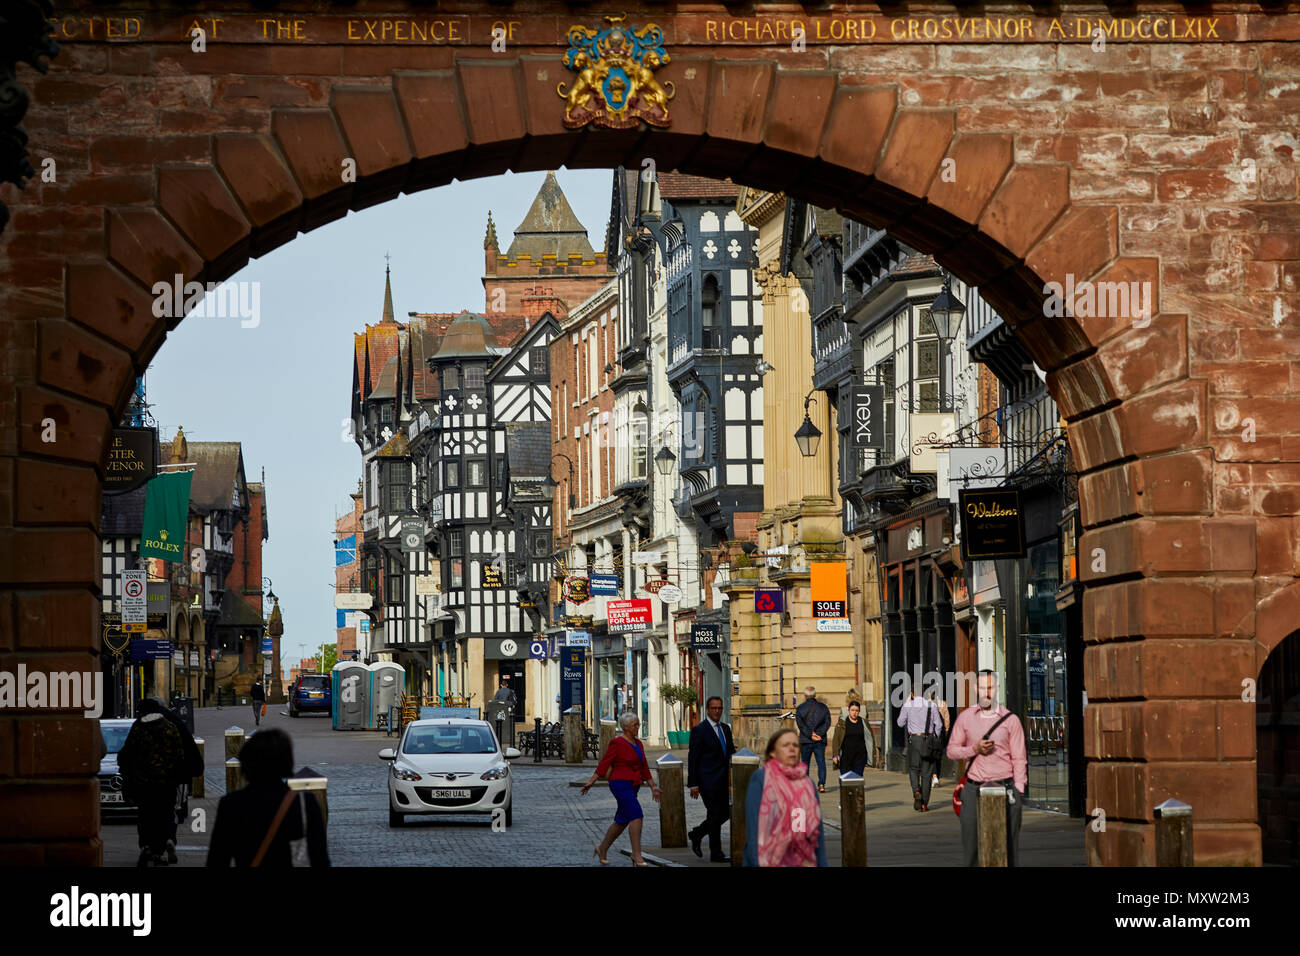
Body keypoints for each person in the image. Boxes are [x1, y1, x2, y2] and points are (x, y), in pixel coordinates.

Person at [207, 728, 330, 867]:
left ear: (246, 764)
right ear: (287, 762)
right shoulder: (304, 803)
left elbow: (217, 859)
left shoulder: (231, 804)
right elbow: (320, 858)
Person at [946, 670, 1028, 866]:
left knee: (1008, 847)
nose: (986, 692)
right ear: (976, 689)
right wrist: (973, 749)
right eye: (982, 688)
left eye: (990, 687)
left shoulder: (1011, 720)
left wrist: (1019, 789)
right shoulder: (966, 718)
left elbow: (1019, 757)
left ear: (997, 688)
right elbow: (951, 751)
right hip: (974, 788)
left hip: (1006, 787)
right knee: (972, 848)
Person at [580, 712, 661, 865]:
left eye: (638, 724)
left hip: (634, 784)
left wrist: (653, 787)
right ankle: (637, 856)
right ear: (625, 727)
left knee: (622, 820)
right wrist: (591, 781)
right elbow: (605, 763)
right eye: (635, 725)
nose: (638, 727)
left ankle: (602, 848)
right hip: (620, 783)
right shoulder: (617, 743)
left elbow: (644, 766)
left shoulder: (639, 744)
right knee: (636, 814)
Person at [118, 697, 190, 867]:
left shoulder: (139, 728)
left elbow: (128, 754)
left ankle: (146, 846)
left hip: (144, 783)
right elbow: (180, 754)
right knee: (164, 815)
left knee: (145, 815)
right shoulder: (170, 728)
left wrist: (128, 774)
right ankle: (161, 847)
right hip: (167, 783)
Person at [743, 728, 826, 867]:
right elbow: (754, 830)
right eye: (785, 745)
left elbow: (817, 833)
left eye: (795, 745)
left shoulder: (807, 784)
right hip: (766, 860)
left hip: (802, 860)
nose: (792, 749)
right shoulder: (761, 779)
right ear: (772, 752)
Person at [687, 695, 736, 862]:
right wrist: (693, 783)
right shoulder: (700, 730)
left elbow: (729, 753)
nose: (717, 711)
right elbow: (693, 758)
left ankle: (697, 833)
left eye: (720, 708)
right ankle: (716, 853)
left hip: (723, 781)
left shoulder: (725, 728)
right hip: (706, 781)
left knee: (724, 814)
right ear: (707, 710)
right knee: (715, 814)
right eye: (714, 708)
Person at [897, 689, 943, 811]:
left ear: (911, 694)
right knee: (927, 773)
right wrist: (934, 738)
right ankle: (924, 804)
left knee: (913, 768)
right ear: (924, 693)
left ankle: (916, 791)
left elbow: (900, 723)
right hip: (928, 740)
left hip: (914, 739)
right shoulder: (931, 705)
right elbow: (939, 725)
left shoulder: (908, 705)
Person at [794, 686, 831, 792]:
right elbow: (827, 722)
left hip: (806, 740)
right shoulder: (823, 708)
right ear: (815, 695)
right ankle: (822, 784)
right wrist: (819, 734)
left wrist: (810, 735)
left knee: (805, 763)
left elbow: (801, 725)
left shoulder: (800, 708)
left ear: (805, 695)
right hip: (820, 739)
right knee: (821, 762)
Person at [831, 700, 873, 777]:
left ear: (859, 711)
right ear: (848, 710)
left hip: (860, 757)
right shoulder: (842, 723)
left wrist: (871, 755)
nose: (854, 713)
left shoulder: (863, 722)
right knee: (846, 781)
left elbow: (869, 738)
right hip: (845, 758)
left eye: (857, 710)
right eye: (852, 710)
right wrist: (835, 755)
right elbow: (836, 740)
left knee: (857, 780)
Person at [931, 691, 951, 788]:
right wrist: (946, 731)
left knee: (931, 755)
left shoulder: (925, 704)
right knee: (938, 756)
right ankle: (936, 776)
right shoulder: (943, 703)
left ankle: (934, 777)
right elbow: (947, 719)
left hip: (930, 733)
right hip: (940, 733)